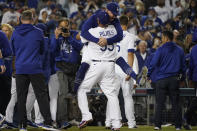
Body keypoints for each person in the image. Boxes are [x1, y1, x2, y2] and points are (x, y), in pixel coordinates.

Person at [10, 10, 54, 131]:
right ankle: (48, 123)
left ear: (20, 19)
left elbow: (12, 51)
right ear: (33, 19)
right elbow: (43, 50)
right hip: (34, 68)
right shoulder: (38, 33)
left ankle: (22, 125)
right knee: (41, 95)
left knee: (21, 97)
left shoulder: (14, 33)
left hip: (20, 68)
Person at [78, 11, 122, 131]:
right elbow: (120, 35)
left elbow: (81, 36)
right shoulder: (114, 31)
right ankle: (117, 124)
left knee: (82, 89)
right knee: (112, 96)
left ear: (98, 21)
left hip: (97, 65)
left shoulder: (92, 32)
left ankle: (86, 116)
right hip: (110, 66)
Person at [147, 30, 186, 130]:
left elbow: (153, 63)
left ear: (166, 38)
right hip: (174, 79)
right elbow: (183, 67)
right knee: (176, 104)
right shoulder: (180, 50)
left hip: (161, 80)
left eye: (163, 37)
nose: (162, 39)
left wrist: (149, 74)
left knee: (160, 103)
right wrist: (182, 78)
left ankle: (157, 125)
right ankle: (178, 126)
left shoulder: (160, 49)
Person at [106, 15, 137, 129]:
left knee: (112, 96)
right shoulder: (129, 37)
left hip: (112, 69)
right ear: (127, 23)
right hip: (123, 69)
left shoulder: (112, 35)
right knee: (127, 97)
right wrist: (129, 70)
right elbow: (130, 54)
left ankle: (109, 122)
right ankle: (131, 123)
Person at [51, 18, 82, 129]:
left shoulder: (75, 34)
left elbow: (80, 47)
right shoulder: (56, 37)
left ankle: (72, 118)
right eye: (62, 27)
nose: (64, 29)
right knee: (63, 94)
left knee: (73, 94)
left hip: (74, 68)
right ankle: (62, 120)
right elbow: (52, 51)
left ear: (69, 26)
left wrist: (69, 37)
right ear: (58, 27)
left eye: (66, 26)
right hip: (61, 68)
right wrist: (55, 37)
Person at [183, 44, 197, 130]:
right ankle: (186, 118)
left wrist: (191, 78)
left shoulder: (194, 49)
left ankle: (186, 119)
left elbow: (191, 65)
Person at [0, 26, 12, 121]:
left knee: (6, 94)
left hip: (6, 71)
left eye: (7, 30)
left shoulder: (1, 35)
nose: (5, 31)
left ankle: (2, 114)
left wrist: (1, 55)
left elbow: (8, 51)